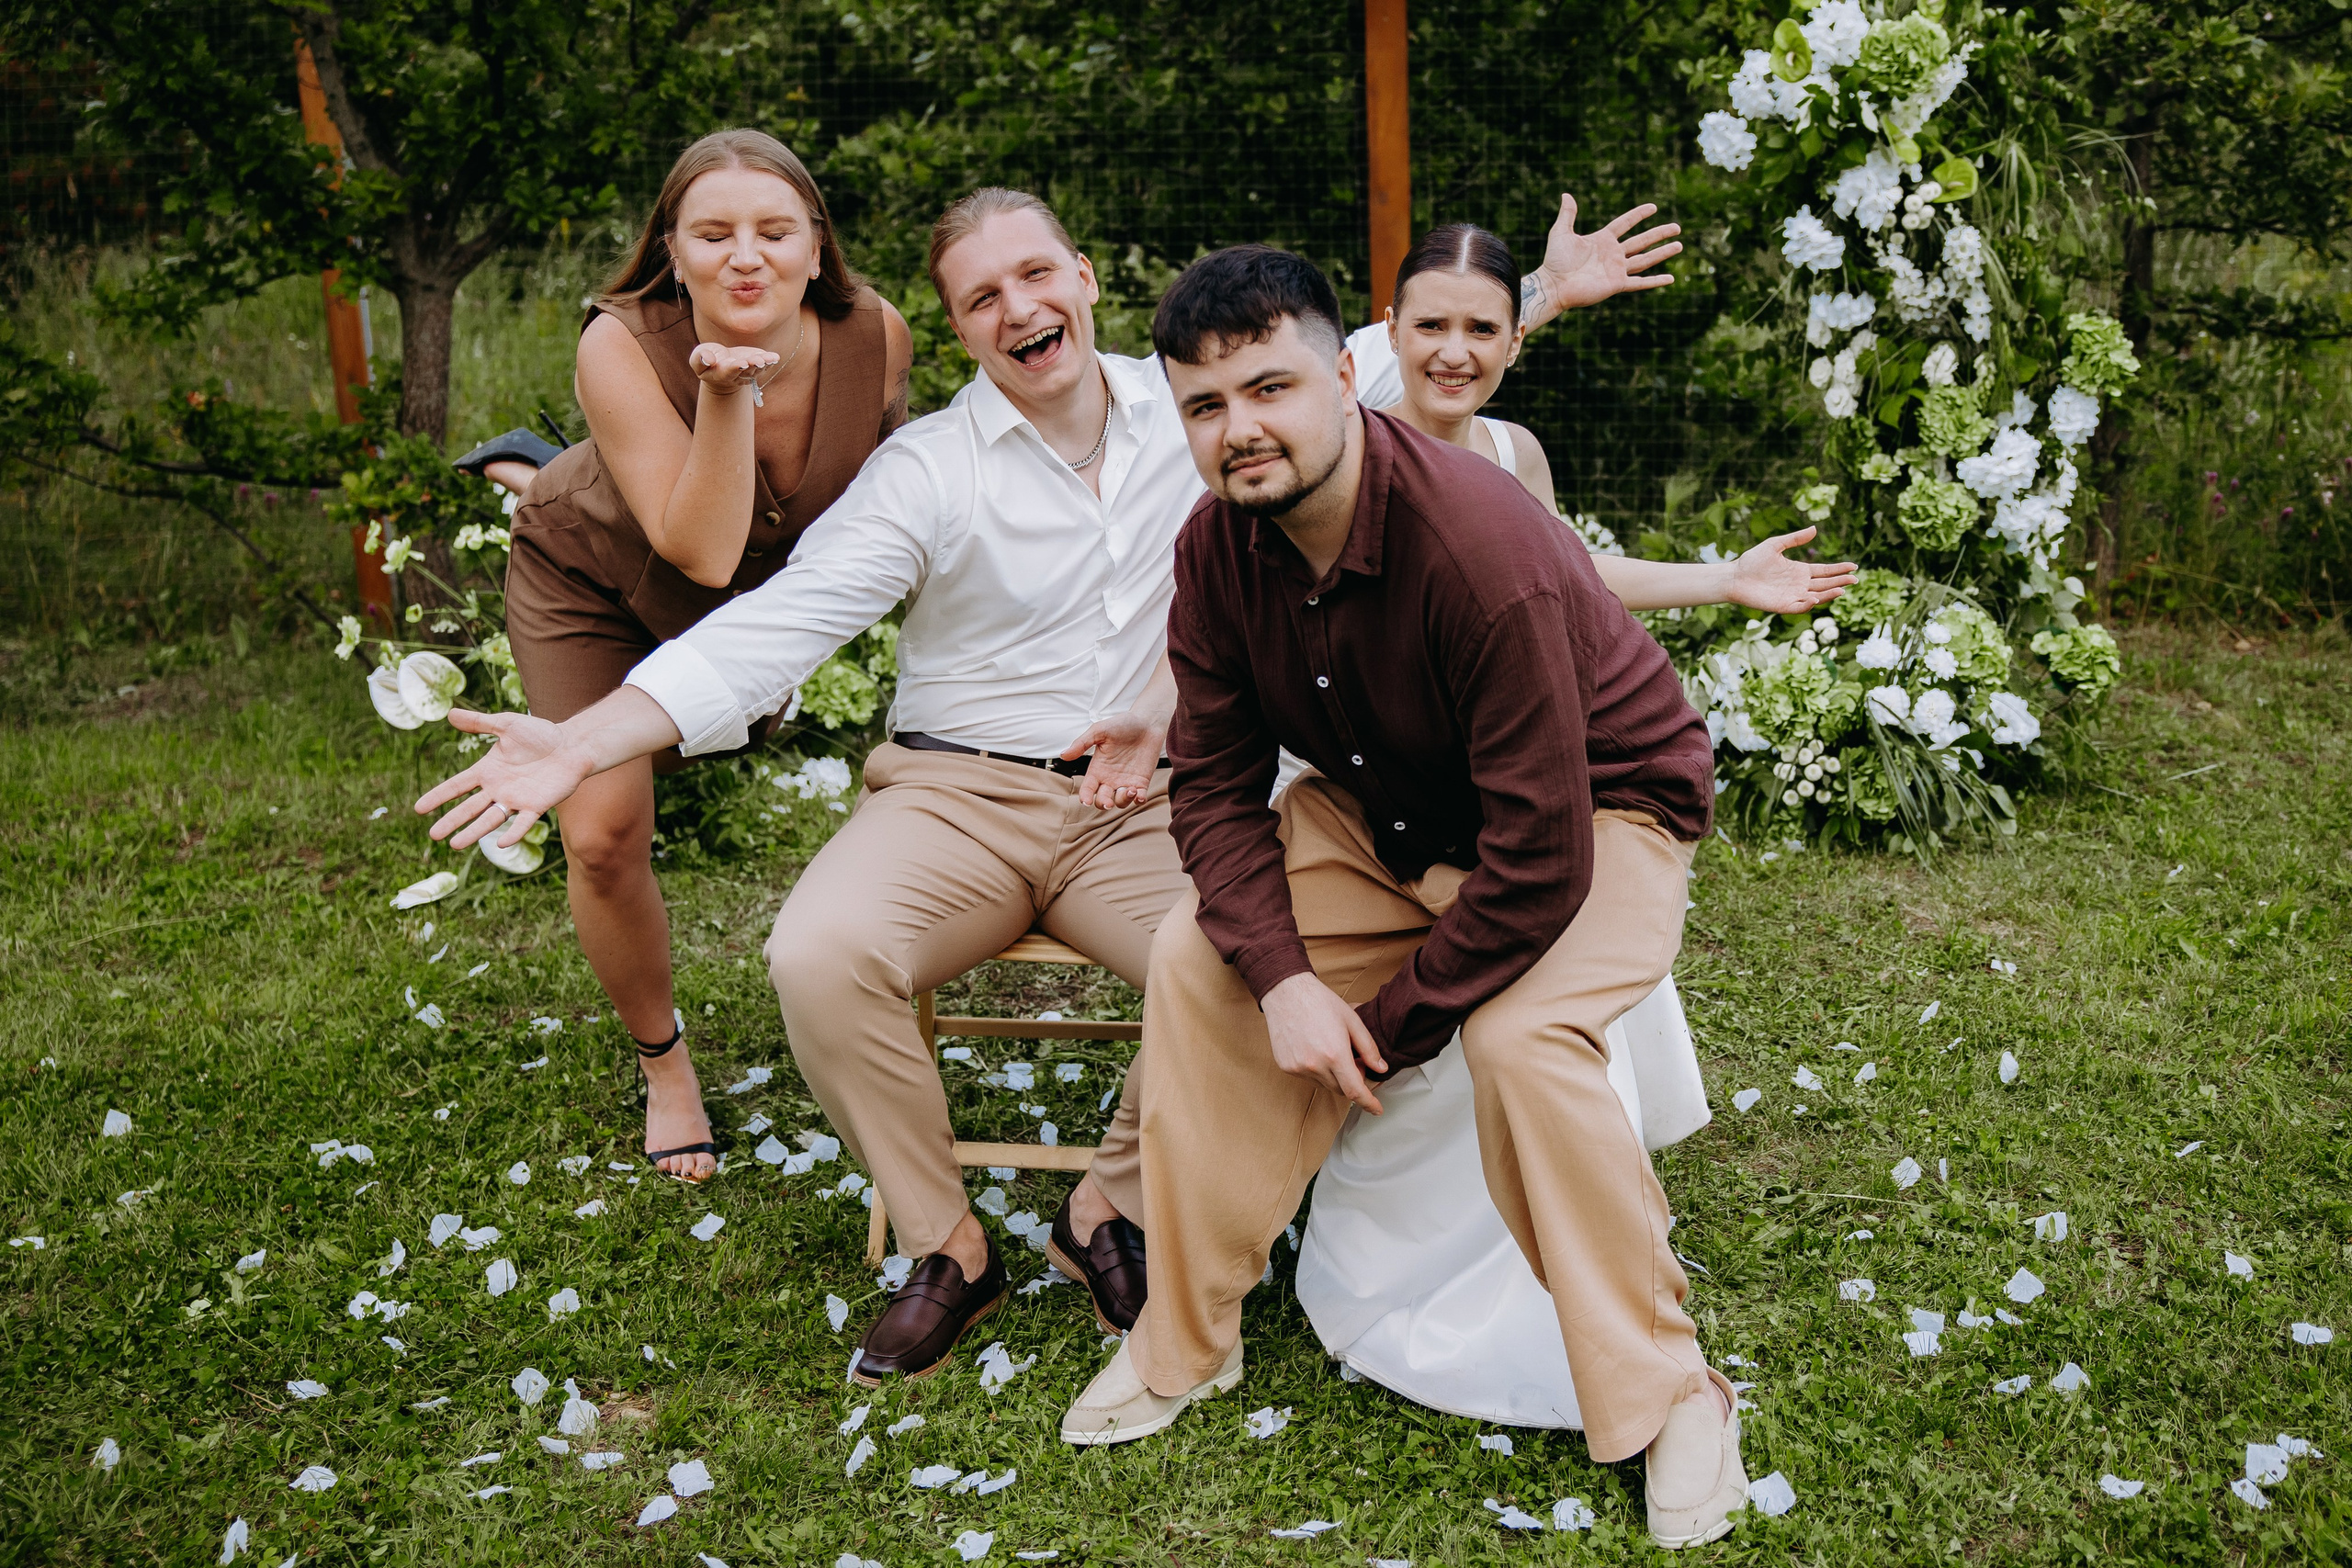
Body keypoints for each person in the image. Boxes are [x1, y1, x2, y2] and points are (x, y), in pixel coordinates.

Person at [408, 186, 1687, 1385]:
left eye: (1036, 273)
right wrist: (593, 738)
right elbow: (779, 623)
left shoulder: (1200, 406)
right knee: (817, 951)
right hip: (949, 795)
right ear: (958, 330)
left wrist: (1550, 294)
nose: (1019, 308)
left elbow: (1373, 354)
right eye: (980, 296)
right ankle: (944, 1241)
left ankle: (1108, 1202)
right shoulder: (925, 470)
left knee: (1245, 957)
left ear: (1081, 279)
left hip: (1144, 806)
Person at [1058, 246, 1748, 1551]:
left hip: (1598, 810)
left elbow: (1541, 855)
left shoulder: (1481, 548)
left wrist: (1385, 1019)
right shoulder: (1216, 546)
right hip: (1391, 810)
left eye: (1268, 387)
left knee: (1522, 1041)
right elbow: (1212, 783)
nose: (1238, 428)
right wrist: (1286, 979)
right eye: (1204, 406)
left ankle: (1674, 1391)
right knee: (1194, 956)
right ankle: (1189, 1337)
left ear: (1343, 376)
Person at [1305, 220, 1854, 1428]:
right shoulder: (1335, 444)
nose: (1453, 350)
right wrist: (1556, 288)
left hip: (1524, 772)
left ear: (1511, 345)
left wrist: (1723, 578)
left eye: (1482, 329)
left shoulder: (1513, 452)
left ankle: (1573, 1231)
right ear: (1383, 337)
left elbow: (1573, 573)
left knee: (1538, 961)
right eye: (1428, 326)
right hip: (1392, 782)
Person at [481, 130, 911, 1182]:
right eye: (712, 234)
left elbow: (882, 512)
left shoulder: (877, 337)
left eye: (775, 231)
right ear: (672, 251)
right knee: (602, 829)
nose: (745, 257)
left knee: (695, 743)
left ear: (818, 249)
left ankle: (536, 470)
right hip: (593, 581)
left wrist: (810, 632)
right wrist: (724, 392)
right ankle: (664, 1063)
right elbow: (704, 549)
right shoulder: (619, 344)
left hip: (739, 613)